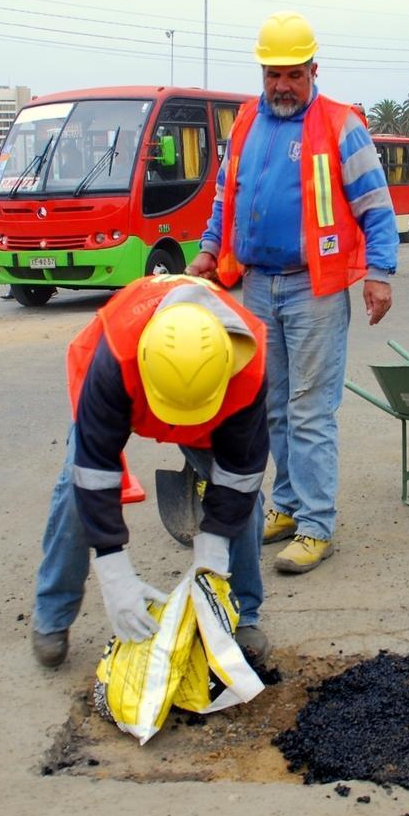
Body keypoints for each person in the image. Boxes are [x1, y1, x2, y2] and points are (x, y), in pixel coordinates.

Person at [187, 11, 398, 575]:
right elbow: (223, 197)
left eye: (293, 75)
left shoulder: (340, 125)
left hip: (315, 288)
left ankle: (316, 525)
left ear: (313, 70)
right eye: (272, 74)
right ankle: (286, 506)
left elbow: (375, 205)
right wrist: (210, 248)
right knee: (270, 407)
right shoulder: (247, 121)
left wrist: (379, 271)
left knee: (310, 411)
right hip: (255, 283)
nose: (282, 85)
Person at [31, 273, 271, 670]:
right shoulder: (113, 359)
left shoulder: (248, 366)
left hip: (211, 404)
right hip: (129, 390)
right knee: (77, 494)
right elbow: (95, 473)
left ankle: (242, 615)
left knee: (244, 502)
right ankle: (52, 617)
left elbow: (241, 474)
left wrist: (214, 546)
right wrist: (112, 567)